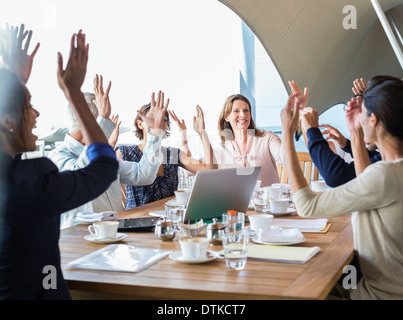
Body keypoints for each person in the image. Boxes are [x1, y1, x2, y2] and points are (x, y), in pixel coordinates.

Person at [0, 26, 118, 299]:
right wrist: (73, 93)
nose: (36, 113)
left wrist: (14, 81)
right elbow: (104, 167)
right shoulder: (30, 184)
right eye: (28, 105)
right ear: (6, 120)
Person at [280, 75, 403, 300]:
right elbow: (366, 182)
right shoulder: (393, 171)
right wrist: (355, 132)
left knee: (295, 289)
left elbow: (306, 206)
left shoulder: (385, 175)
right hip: (386, 288)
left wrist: (288, 133)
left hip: (377, 295)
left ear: (373, 120)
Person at [48, 75, 165, 228]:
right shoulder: (56, 157)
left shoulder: (105, 156)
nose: (109, 127)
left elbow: (143, 176)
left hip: (111, 236)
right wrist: (102, 119)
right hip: (77, 242)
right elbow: (82, 174)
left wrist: (154, 133)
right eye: (104, 122)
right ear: (88, 121)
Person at [117, 102, 217, 209]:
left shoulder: (173, 154)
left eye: (164, 120)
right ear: (140, 124)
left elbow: (211, 170)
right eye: (153, 118)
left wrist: (202, 133)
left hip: (169, 220)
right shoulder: (125, 152)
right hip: (138, 222)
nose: (159, 122)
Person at [290, 80, 381, 187]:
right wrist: (346, 144)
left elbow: (336, 175)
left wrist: (310, 128)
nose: (359, 124)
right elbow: (318, 151)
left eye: (361, 115)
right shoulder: (382, 157)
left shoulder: (385, 163)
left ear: (373, 119)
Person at [214, 94, 285, 187]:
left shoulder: (268, 138)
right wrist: (188, 141)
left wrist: (288, 128)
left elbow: (285, 159)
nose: (243, 115)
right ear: (226, 117)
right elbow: (191, 170)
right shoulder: (221, 149)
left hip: (266, 200)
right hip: (237, 201)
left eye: (246, 110)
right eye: (236, 111)